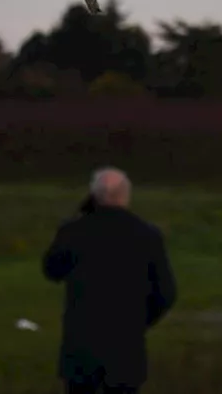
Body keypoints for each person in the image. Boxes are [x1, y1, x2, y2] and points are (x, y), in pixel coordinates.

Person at [43, 167, 178, 394]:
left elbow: (51, 270)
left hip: (81, 347)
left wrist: (79, 216)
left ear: (94, 196)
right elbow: (166, 293)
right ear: (126, 195)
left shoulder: (73, 231)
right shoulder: (147, 235)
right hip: (125, 346)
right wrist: (138, 322)